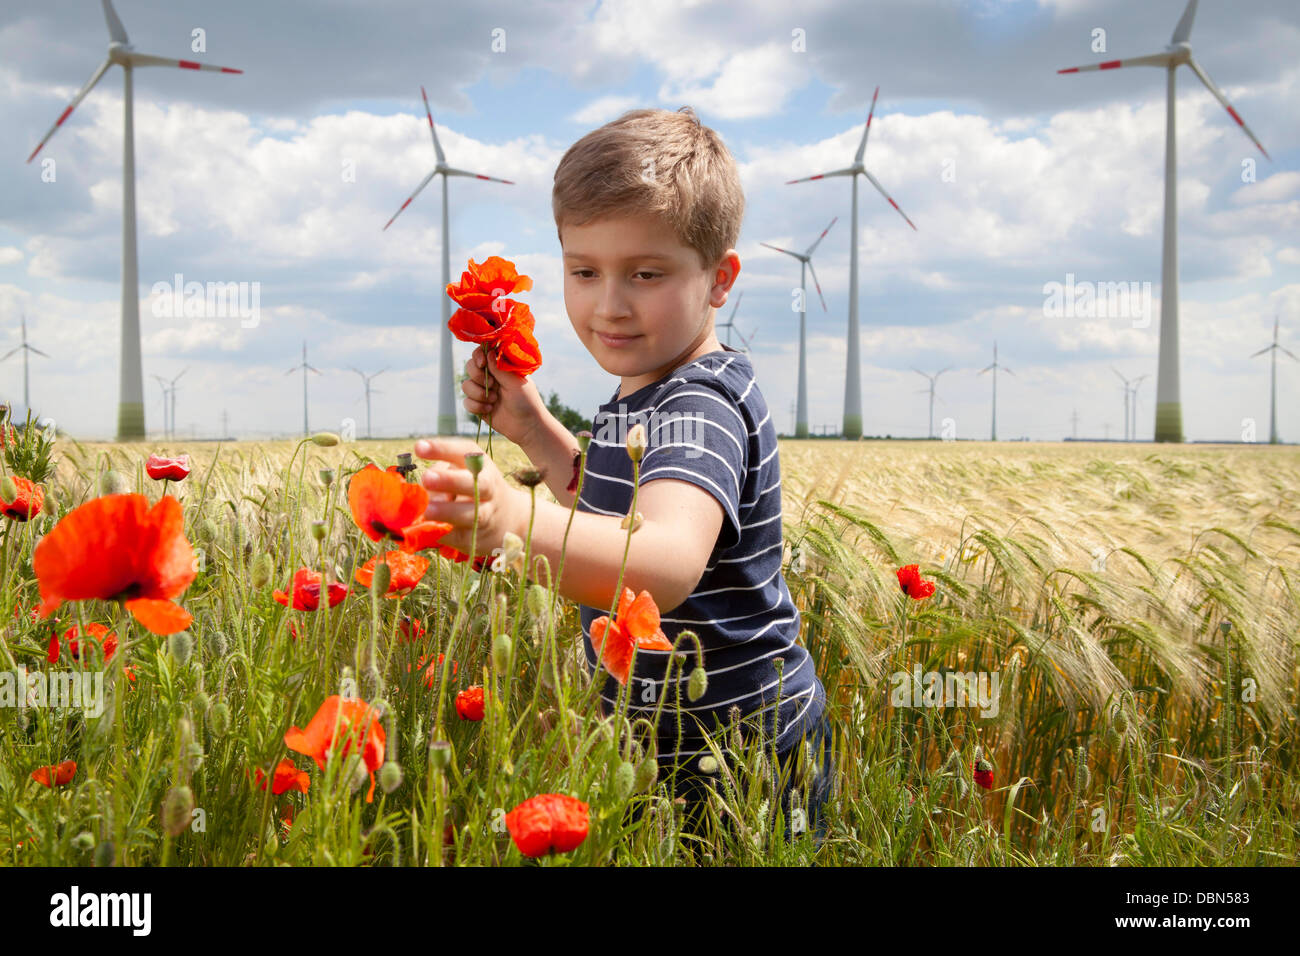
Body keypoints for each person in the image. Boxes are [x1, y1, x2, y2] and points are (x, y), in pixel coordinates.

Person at [413, 106, 833, 848]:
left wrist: (512, 521)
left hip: (743, 757)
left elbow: (663, 562)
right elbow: (613, 509)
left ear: (720, 279)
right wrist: (535, 432)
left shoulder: (701, 403)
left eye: (645, 273)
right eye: (584, 271)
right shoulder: (647, 387)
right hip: (669, 748)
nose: (609, 304)